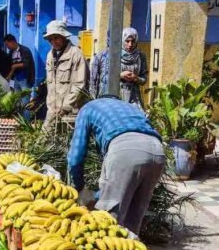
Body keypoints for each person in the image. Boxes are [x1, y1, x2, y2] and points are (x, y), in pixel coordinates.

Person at [67, 96, 165, 236]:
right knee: (134, 219)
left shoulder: (88, 108)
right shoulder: (131, 108)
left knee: (108, 221)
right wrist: (98, 194)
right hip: (157, 151)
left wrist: (79, 188)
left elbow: (75, 156)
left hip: (125, 148)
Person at [43, 20, 88, 128]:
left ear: (64, 37)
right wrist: (50, 105)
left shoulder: (76, 54)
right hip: (52, 111)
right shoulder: (50, 55)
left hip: (71, 112)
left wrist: (65, 107)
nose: (54, 42)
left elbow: (79, 85)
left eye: (56, 38)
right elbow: (50, 84)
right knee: (44, 139)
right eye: (51, 39)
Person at [91, 27, 148, 104]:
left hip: (133, 97)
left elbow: (144, 79)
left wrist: (136, 78)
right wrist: (119, 76)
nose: (130, 45)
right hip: (115, 97)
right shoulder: (112, 55)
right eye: (127, 41)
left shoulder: (140, 56)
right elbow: (103, 78)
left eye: (133, 41)